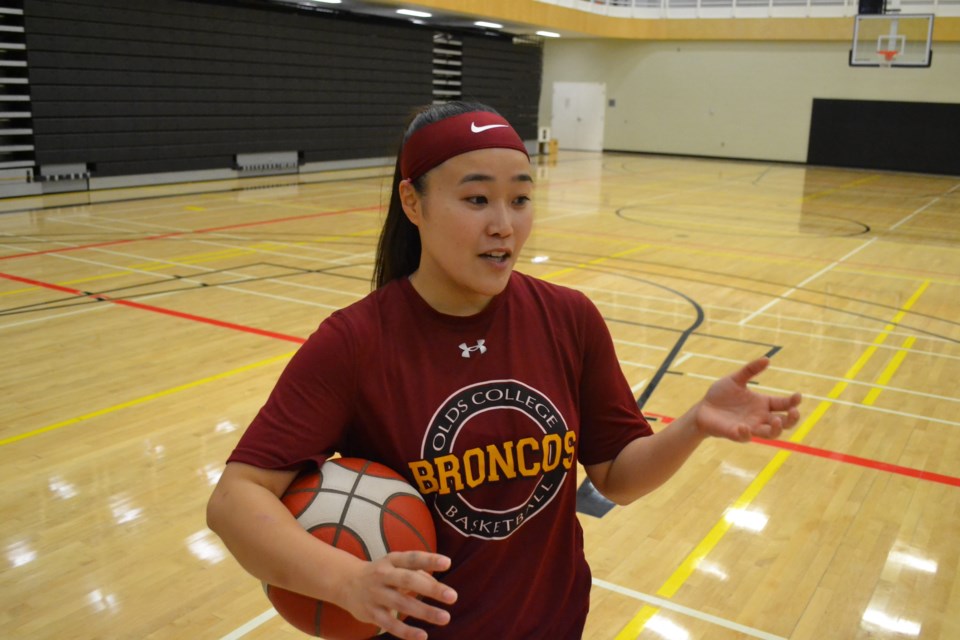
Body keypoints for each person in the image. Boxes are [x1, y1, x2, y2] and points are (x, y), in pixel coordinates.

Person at [206, 101, 802, 640]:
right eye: (476, 199)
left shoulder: (568, 317)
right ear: (412, 202)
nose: (504, 224)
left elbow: (616, 476)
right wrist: (346, 583)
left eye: (520, 198)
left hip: (556, 626)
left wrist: (694, 423)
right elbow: (236, 499)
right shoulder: (357, 341)